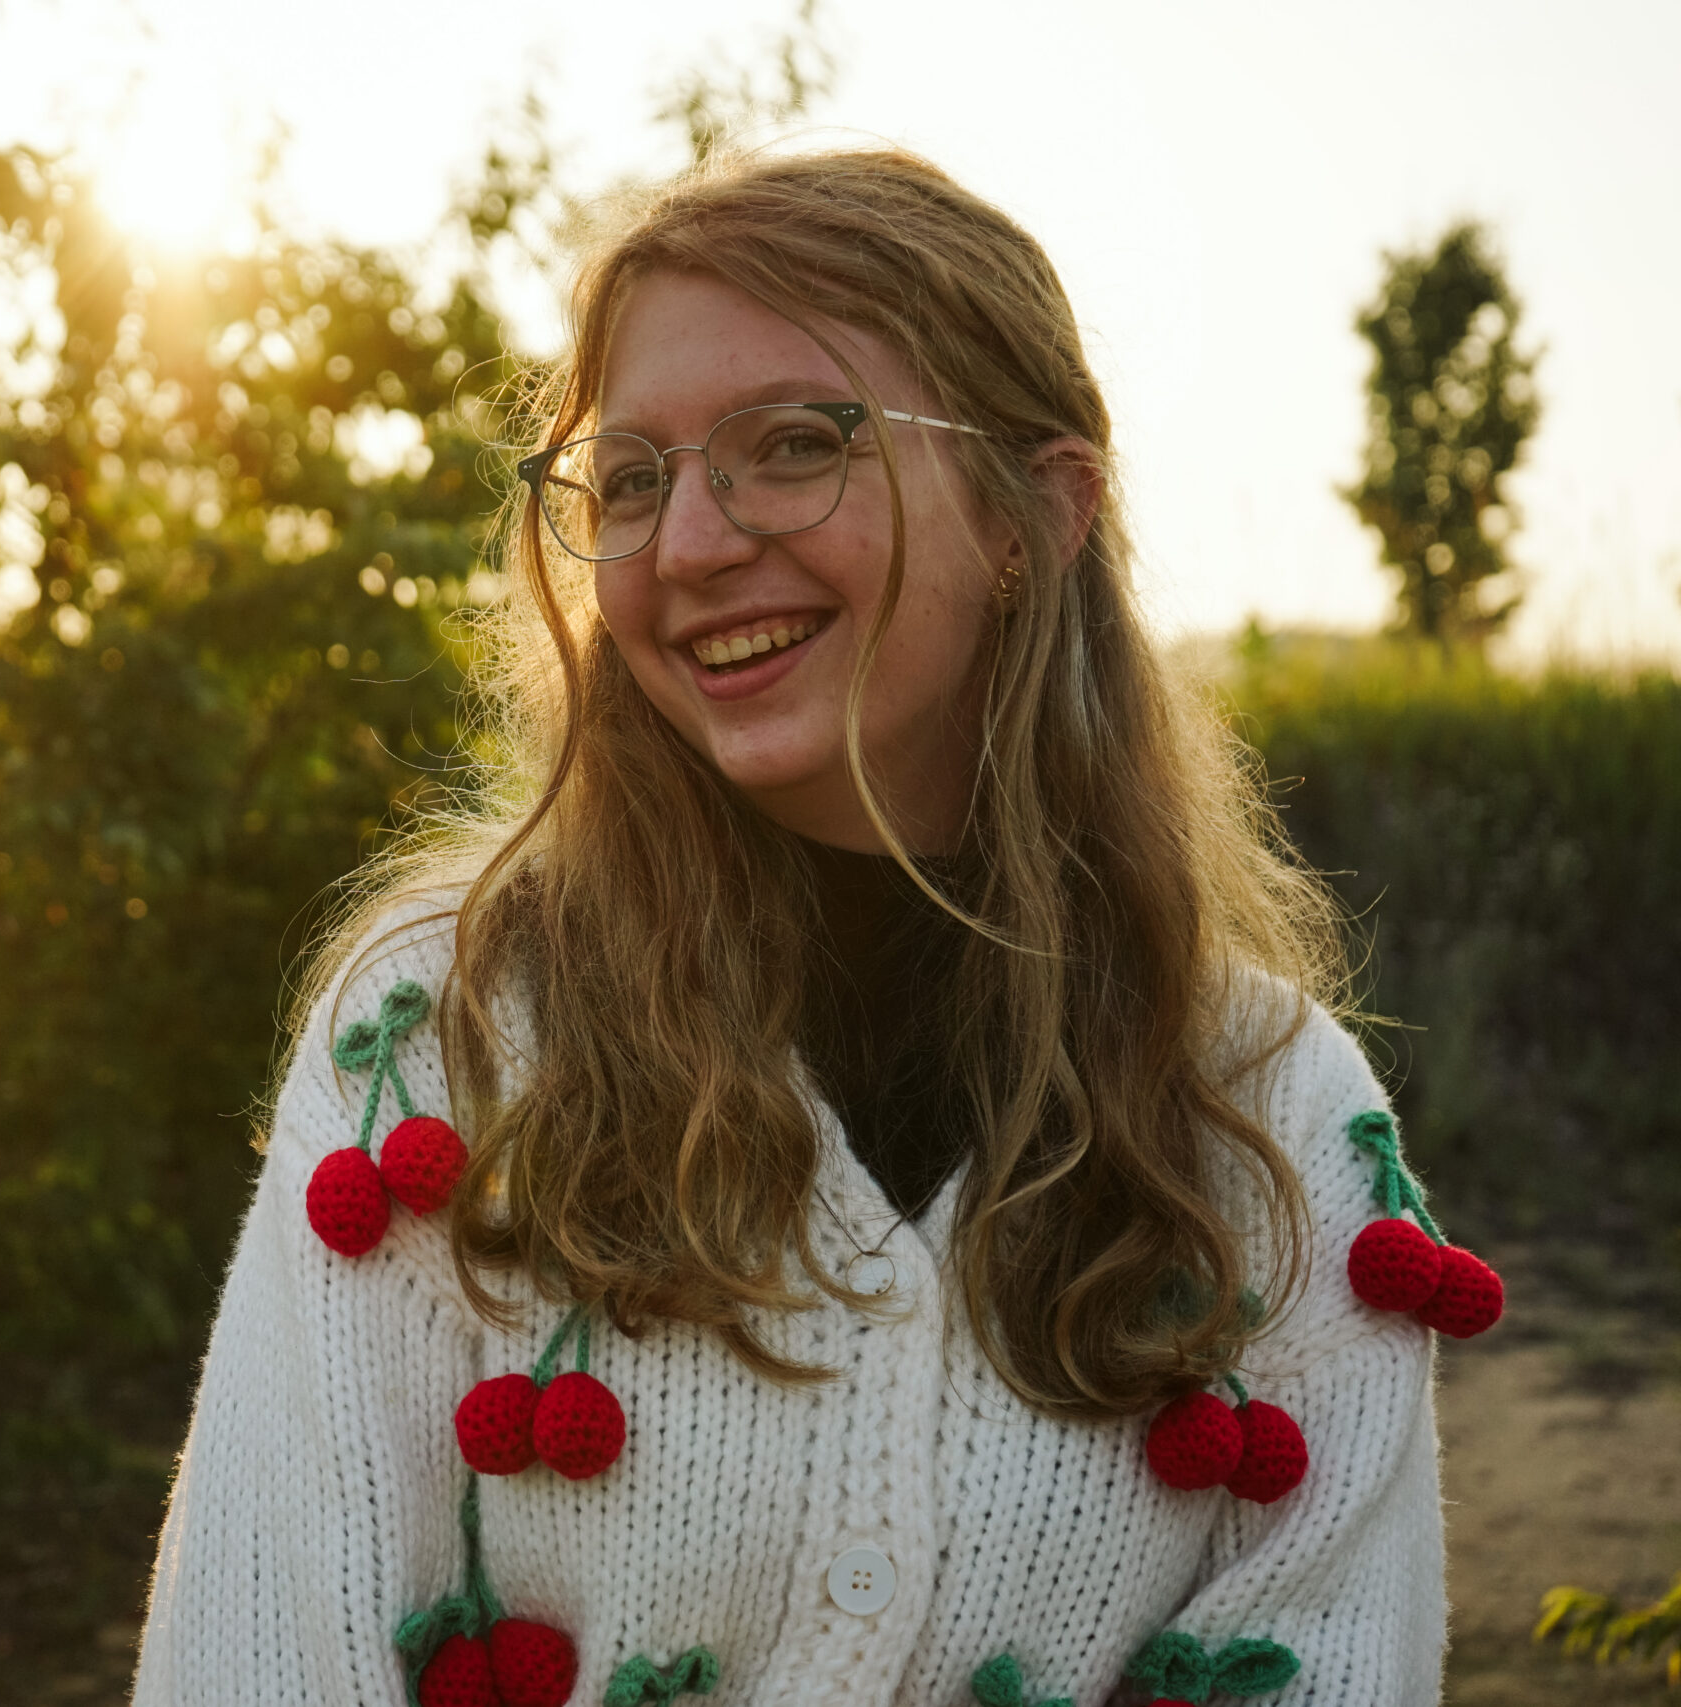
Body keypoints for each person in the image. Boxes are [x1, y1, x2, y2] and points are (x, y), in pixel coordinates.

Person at [131, 148, 1457, 1707]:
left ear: (1039, 508)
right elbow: (268, 1652)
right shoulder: (444, 1043)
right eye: (632, 478)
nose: (689, 543)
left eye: (791, 446)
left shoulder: (1276, 1128)